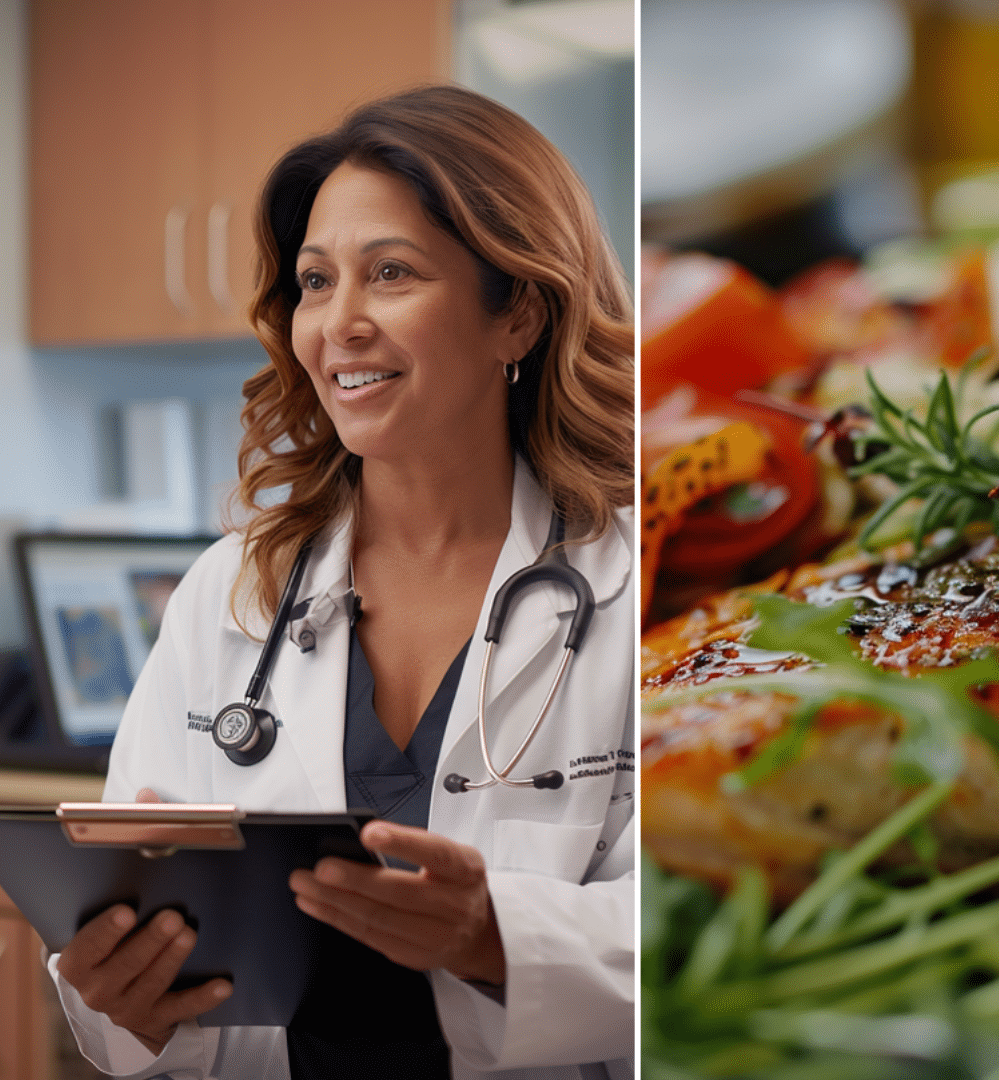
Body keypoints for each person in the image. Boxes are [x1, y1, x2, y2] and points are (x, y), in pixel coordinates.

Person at [46, 87, 636, 1079]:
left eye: (391, 274)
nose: (339, 324)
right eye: (316, 283)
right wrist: (116, 998)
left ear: (519, 316)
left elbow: (713, 924)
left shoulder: (632, 587)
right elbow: (121, 953)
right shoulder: (228, 596)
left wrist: (498, 935)